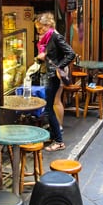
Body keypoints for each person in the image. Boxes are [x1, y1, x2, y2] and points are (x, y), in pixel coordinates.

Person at [35, 12, 76, 152]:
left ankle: (59, 141)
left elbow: (71, 54)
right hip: (48, 73)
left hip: (53, 75)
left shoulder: (55, 36)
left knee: (48, 109)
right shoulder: (46, 38)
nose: (38, 31)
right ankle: (54, 136)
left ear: (47, 26)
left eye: (40, 28)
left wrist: (58, 66)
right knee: (49, 106)